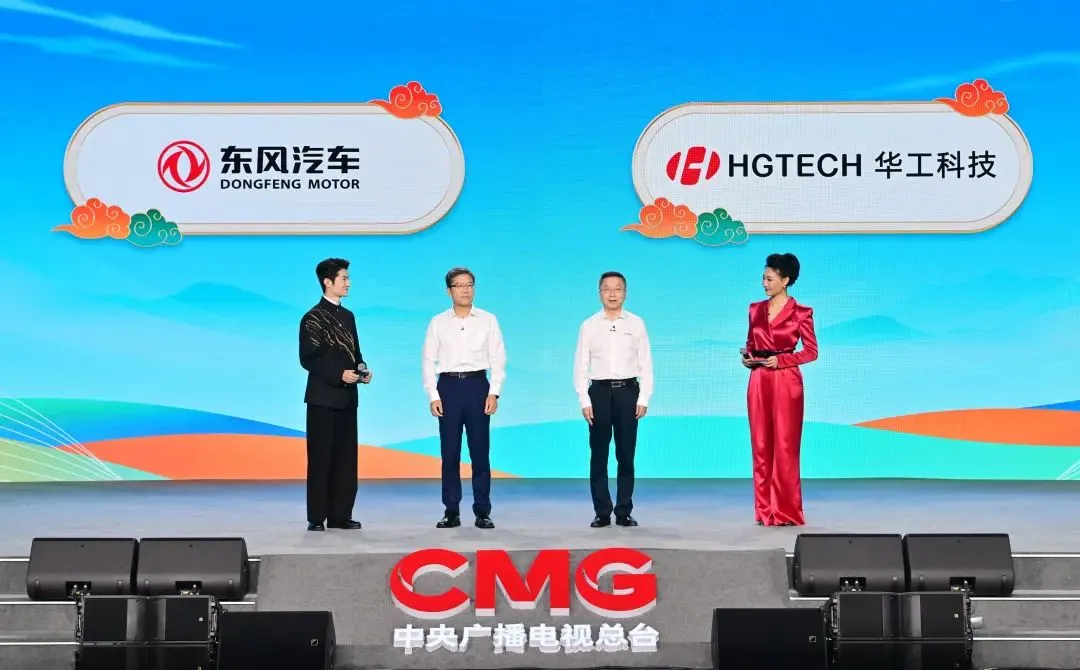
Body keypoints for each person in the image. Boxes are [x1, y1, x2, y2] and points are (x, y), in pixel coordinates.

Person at [422, 267, 506, 529]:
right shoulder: (438, 322)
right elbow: (428, 360)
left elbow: (498, 358)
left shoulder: (488, 320)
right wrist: (433, 394)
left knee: (480, 453)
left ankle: (482, 511)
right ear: (449, 291)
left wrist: (494, 391)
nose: (466, 290)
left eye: (470, 285)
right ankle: (451, 511)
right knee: (450, 454)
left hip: (477, 386)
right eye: (459, 286)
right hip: (448, 387)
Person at [741, 253, 818, 527]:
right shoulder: (755, 309)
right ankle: (765, 511)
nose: (764, 283)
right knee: (761, 445)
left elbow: (811, 351)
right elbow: (751, 343)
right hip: (759, 379)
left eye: (770, 279)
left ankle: (785, 511)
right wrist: (748, 358)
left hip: (786, 380)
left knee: (785, 446)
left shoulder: (802, 313)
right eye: (763, 278)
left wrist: (782, 360)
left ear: (785, 280)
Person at [573, 271, 653, 528]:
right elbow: (580, 366)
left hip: (628, 392)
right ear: (600, 293)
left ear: (625, 293)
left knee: (626, 454)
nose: (612, 294)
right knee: (599, 454)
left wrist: (644, 397)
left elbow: (646, 363)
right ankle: (602, 512)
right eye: (607, 289)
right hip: (599, 392)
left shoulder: (636, 324)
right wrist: (584, 400)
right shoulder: (589, 325)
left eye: (617, 289)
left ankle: (624, 511)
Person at [298, 258, 372, 532]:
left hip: (347, 398)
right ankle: (317, 516)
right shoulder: (312, 317)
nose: (348, 283)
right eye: (344, 278)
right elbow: (309, 358)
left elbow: (355, 352)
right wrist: (339, 374)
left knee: (346, 458)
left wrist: (362, 370)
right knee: (321, 459)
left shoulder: (348, 316)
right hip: (322, 399)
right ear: (327, 282)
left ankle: (341, 514)